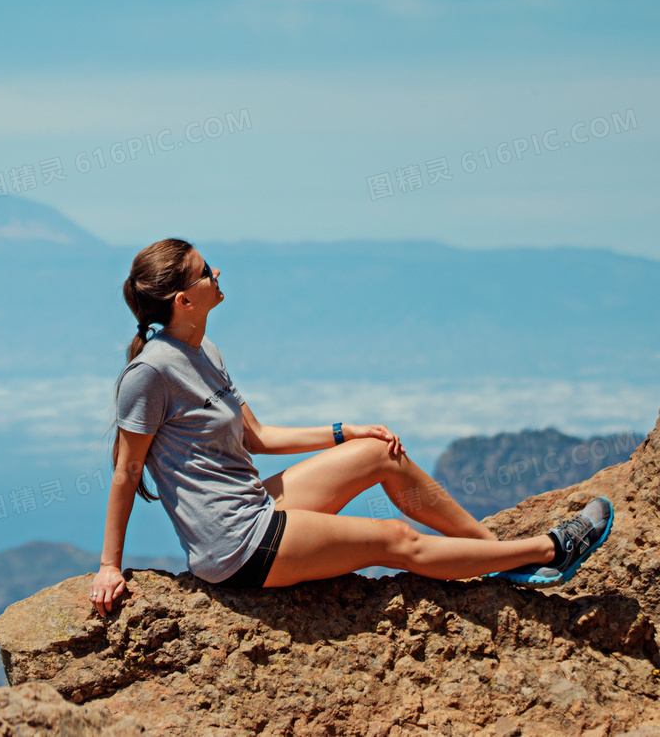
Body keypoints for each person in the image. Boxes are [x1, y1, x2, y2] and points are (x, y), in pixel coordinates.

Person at [88, 238, 614, 616]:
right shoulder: (151, 371)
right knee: (394, 539)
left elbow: (260, 438)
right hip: (235, 546)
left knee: (379, 455)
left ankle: (501, 557)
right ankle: (549, 549)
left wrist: (350, 431)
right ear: (184, 300)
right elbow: (126, 472)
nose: (218, 274)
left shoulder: (206, 351)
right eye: (206, 272)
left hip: (256, 508)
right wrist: (110, 565)